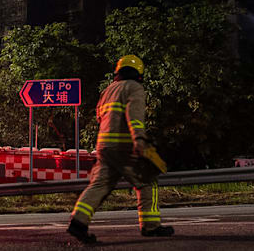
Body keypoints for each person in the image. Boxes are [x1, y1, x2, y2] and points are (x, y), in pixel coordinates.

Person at [67, 54, 174, 243]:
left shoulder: (108, 90)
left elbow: (100, 116)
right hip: (125, 147)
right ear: (139, 72)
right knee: (147, 182)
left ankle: (78, 222)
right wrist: (139, 139)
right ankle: (151, 227)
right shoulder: (134, 88)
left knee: (99, 185)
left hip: (104, 146)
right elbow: (134, 115)